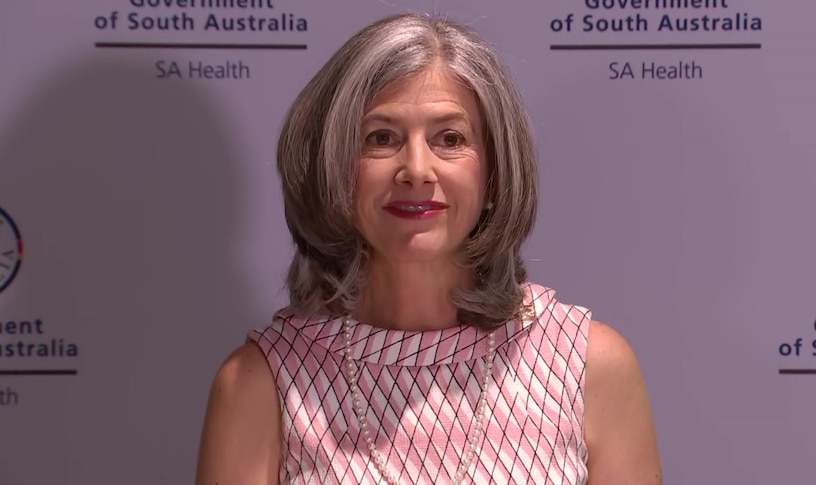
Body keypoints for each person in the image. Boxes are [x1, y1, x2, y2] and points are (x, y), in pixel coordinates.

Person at [195, 11, 661, 485]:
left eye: (450, 139)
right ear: (333, 168)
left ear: (495, 171)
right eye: (381, 138)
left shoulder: (586, 366)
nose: (417, 168)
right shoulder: (263, 384)